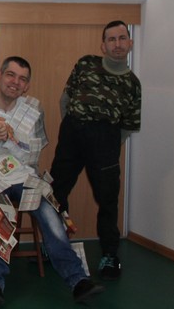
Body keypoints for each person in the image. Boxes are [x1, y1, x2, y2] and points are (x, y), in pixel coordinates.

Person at [0, 56, 103, 307]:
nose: (16, 82)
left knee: (49, 212)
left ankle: (78, 280)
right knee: (0, 214)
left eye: (22, 79)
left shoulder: (32, 110)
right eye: (11, 75)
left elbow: (31, 155)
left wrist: (9, 138)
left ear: (27, 86)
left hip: (22, 175)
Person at [50, 20, 141, 280]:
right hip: (72, 133)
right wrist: (73, 129)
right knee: (56, 192)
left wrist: (106, 144)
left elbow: (128, 125)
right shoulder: (85, 63)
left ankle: (110, 255)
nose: (117, 44)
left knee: (108, 199)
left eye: (122, 38)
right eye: (111, 39)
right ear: (103, 45)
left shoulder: (133, 84)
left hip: (106, 141)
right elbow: (65, 99)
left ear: (130, 43)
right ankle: (56, 246)